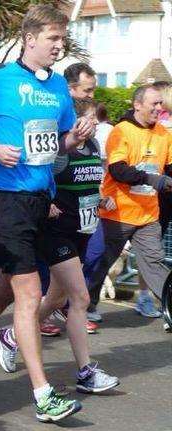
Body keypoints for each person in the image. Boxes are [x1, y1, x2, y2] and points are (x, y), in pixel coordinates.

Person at [0, 5, 95, 422]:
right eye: (52, 39)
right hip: (5, 198)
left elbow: (58, 146)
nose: (58, 47)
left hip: (41, 200)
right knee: (29, 294)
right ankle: (43, 393)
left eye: (61, 40)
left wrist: (76, 136)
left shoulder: (57, 92)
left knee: (3, 288)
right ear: (29, 38)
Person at [0, 98, 119, 393]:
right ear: (74, 120)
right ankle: (86, 372)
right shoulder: (61, 152)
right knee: (80, 298)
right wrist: (46, 201)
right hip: (55, 231)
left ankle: (11, 336)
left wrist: (100, 199)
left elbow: (89, 183)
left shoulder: (94, 147)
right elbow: (40, 177)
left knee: (55, 299)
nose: (94, 124)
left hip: (82, 228)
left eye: (97, 120)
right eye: (89, 119)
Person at [86, 84, 172, 321]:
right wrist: (152, 179)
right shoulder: (121, 131)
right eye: (153, 103)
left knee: (154, 263)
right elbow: (118, 170)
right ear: (137, 105)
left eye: (160, 103)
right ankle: (84, 307)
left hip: (148, 216)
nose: (159, 107)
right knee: (101, 262)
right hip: (117, 213)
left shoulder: (164, 134)